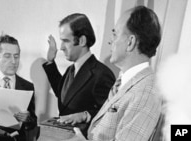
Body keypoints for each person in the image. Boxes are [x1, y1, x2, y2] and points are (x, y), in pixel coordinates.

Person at [65, 6, 163, 141]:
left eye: (115, 34)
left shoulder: (145, 93)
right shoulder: (126, 82)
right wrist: (85, 116)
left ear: (130, 42)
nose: (110, 40)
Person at [43, 13, 115, 130]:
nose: (61, 47)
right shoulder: (71, 69)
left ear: (82, 40)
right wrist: (50, 62)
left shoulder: (101, 74)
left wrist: (85, 115)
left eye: (66, 41)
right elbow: (64, 96)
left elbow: (110, 115)